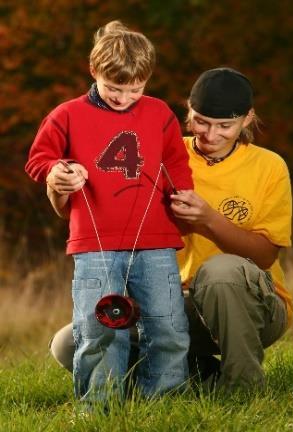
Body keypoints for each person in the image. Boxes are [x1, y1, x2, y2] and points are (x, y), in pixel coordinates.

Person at [48, 67, 293, 393]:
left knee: (221, 272)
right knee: (67, 342)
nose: (210, 135)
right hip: (170, 302)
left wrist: (208, 220)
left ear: (247, 119)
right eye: (201, 121)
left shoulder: (269, 167)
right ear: (188, 111)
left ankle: (243, 389)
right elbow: (82, 211)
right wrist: (57, 185)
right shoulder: (159, 150)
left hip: (253, 307)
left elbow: (265, 256)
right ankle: (198, 376)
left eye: (225, 126)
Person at [25, 20, 193, 407]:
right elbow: (39, 158)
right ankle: (99, 406)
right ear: (93, 72)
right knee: (99, 328)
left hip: (156, 242)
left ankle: (163, 402)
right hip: (94, 245)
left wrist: (182, 193)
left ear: (147, 80)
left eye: (135, 89)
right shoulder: (67, 115)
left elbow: (175, 161)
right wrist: (58, 170)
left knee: (167, 324)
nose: (124, 98)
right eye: (114, 88)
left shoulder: (160, 113)